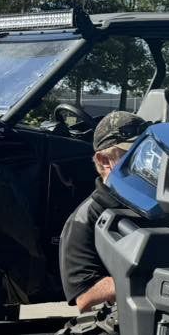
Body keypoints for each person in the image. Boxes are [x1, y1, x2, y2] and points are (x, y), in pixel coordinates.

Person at [59, 110, 147, 312]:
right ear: (104, 160)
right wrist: (155, 281)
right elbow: (85, 294)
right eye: (132, 154)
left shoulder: (163, 205)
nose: (145, 162)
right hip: (119, 326)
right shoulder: (84, 218)